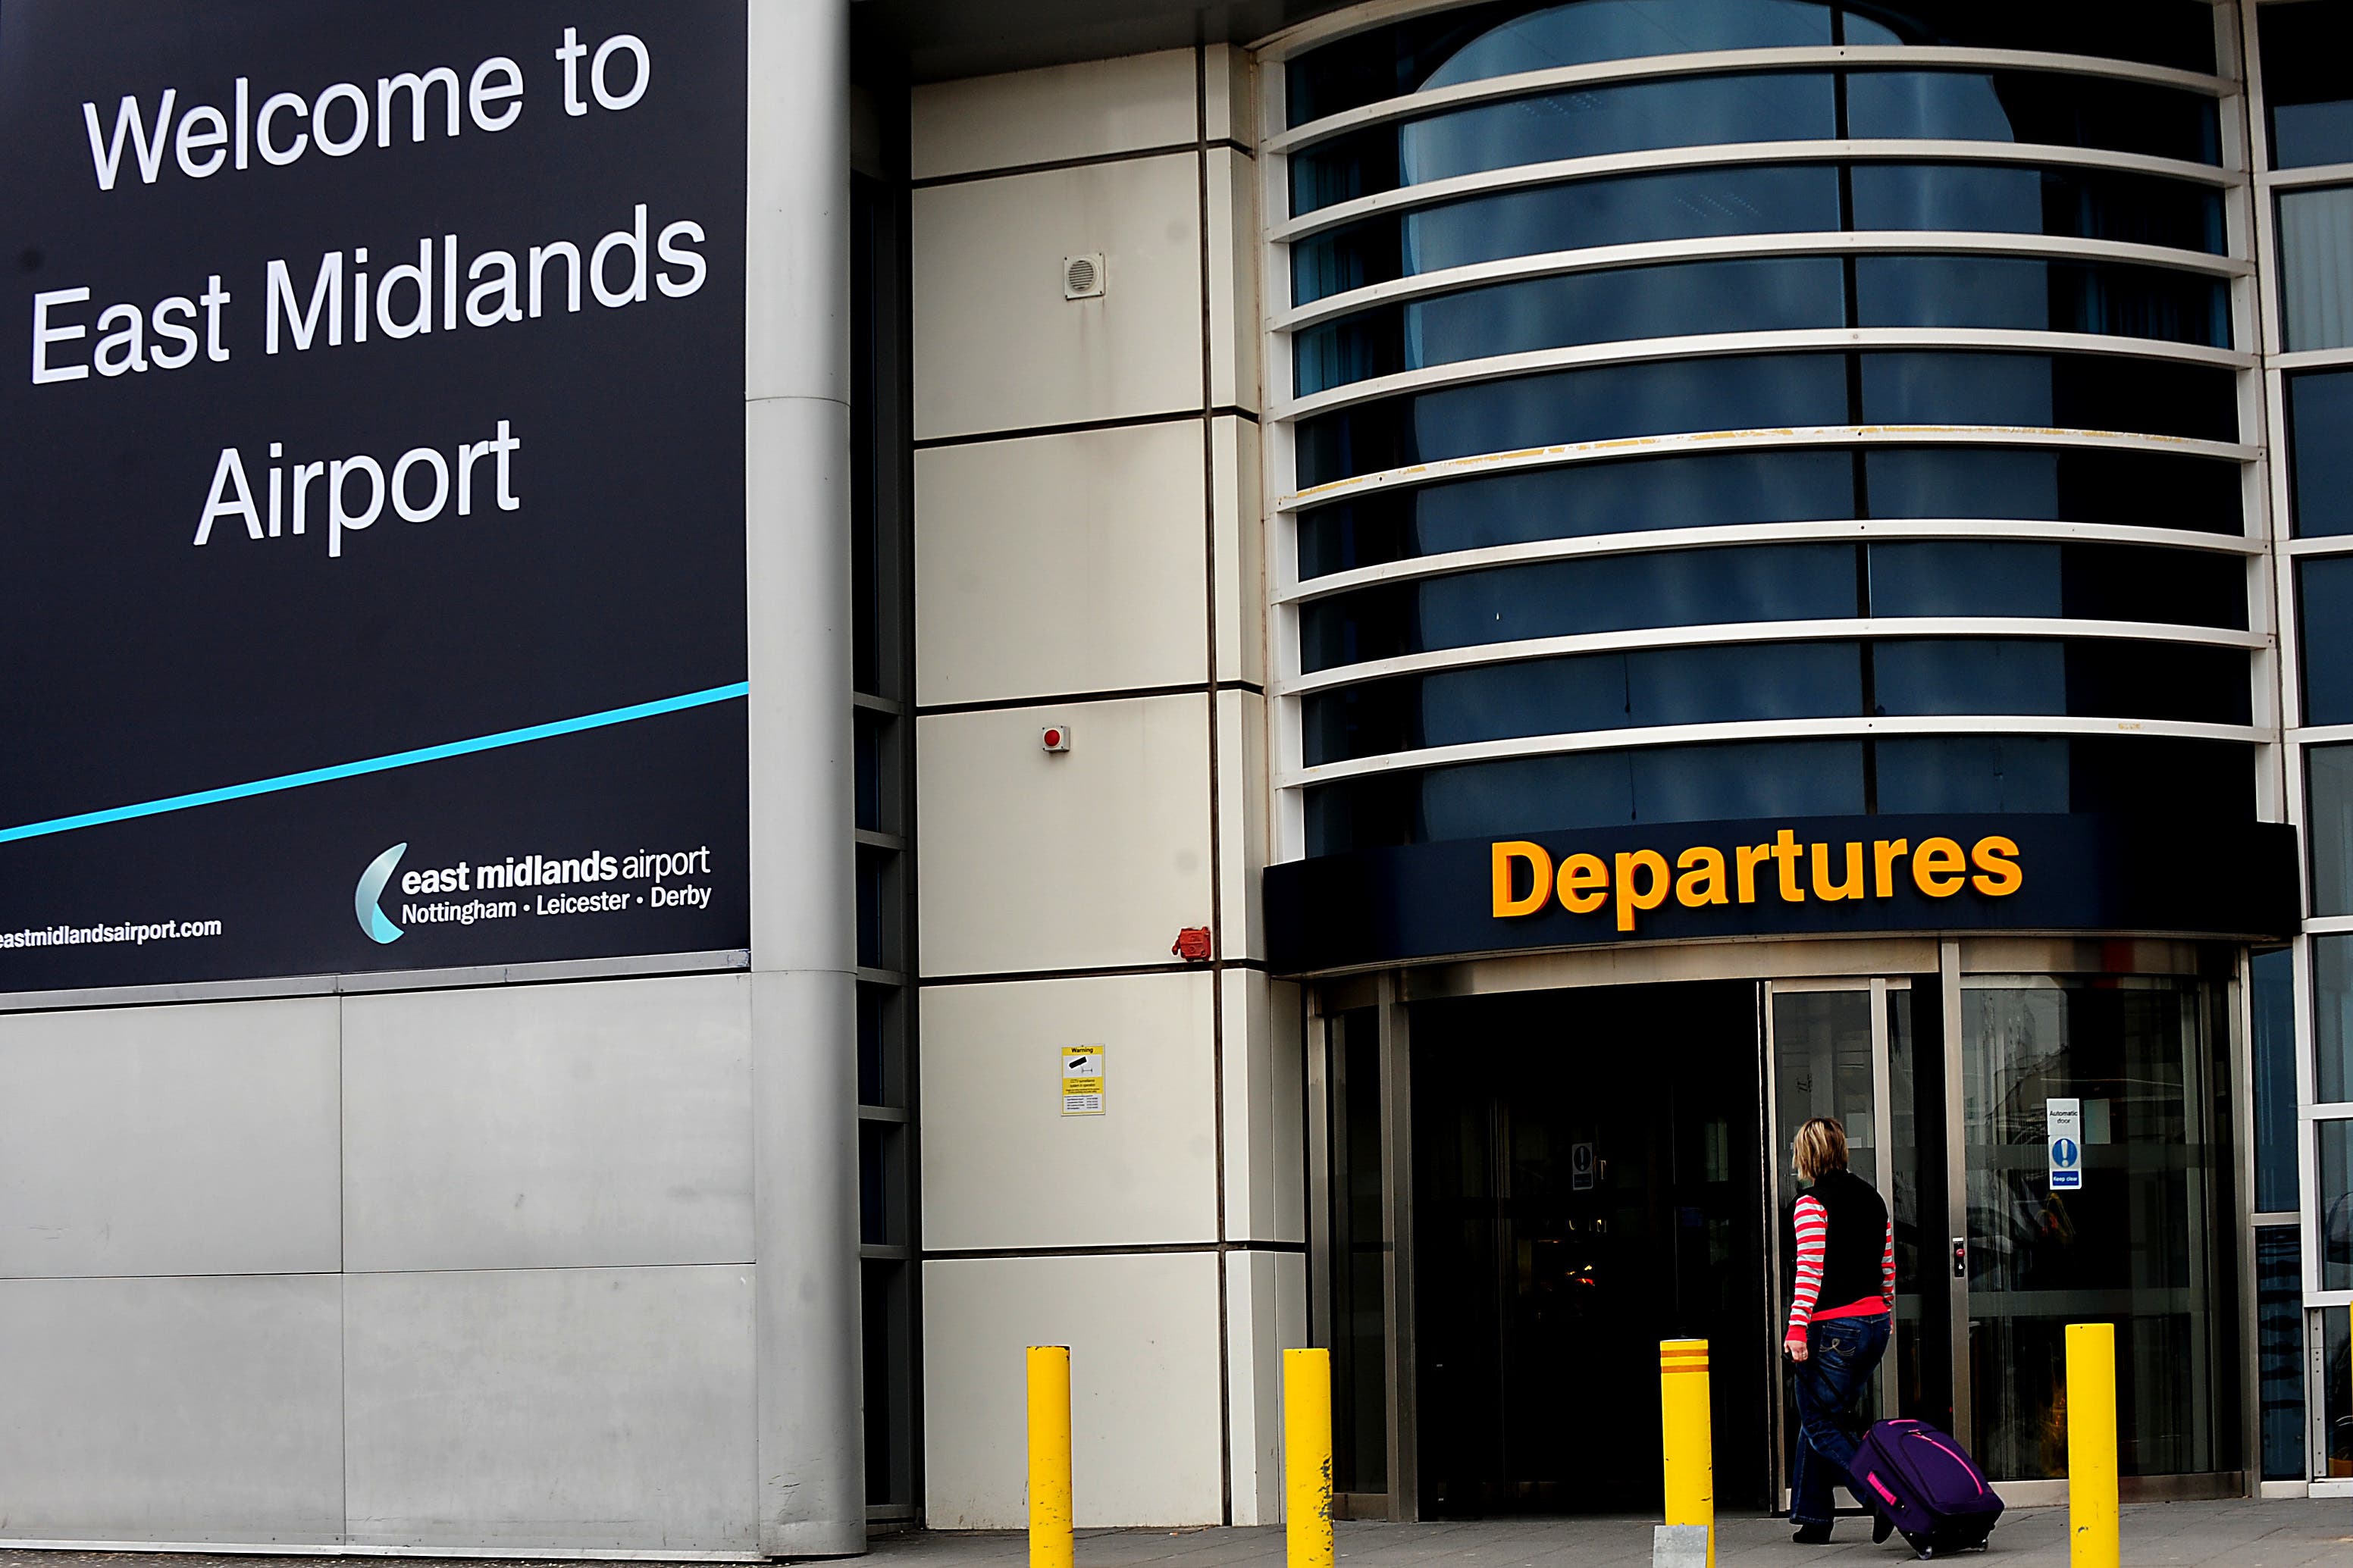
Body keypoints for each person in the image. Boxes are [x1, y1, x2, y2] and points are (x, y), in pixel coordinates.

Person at [1784, 1116, 1895, 1545]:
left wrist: (1796, 1333)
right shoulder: (1873, 1198)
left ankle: (1881, 1497)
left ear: (1807, 1154)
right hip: (1873, 1325)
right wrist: (1882, 1310)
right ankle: (1813, 1518)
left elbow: (1809, 1273)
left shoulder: (1812, 1203)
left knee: (1819, 1421)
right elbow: (1888, 1268)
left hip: (1833, 1329)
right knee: (1822, 1416)